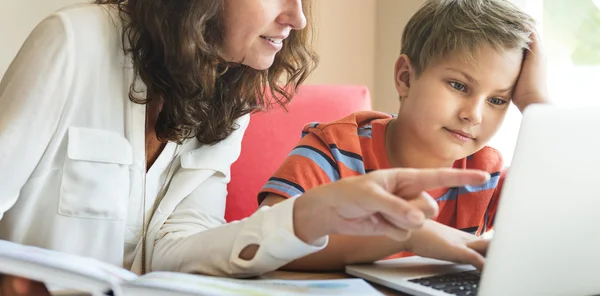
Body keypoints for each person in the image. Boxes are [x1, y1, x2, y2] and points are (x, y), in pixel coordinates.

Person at [0, 0, 492, 294]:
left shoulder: (230, 87)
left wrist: (311, 215)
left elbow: (175, 249)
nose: (296, 17)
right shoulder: (73, 42)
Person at [258, 0, 549, 272]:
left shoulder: (486, 174)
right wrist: (405, 235)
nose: (474, 115)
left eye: (497, 100)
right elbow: (259, 242)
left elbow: (579, 225)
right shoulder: (334, 151)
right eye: (459, 86)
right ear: (405, 78)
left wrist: (537, 103)